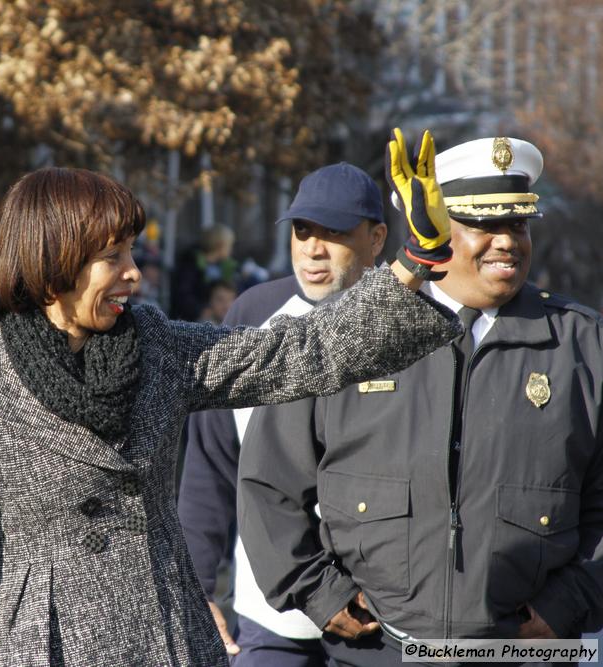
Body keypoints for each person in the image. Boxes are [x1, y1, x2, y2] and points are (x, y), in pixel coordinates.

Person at [0, 131, 461, 666]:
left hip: (164, 629)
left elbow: (298, 351)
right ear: (52, 268)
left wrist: (416, 261)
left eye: (132, 252)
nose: (134, 273)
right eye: (112, 257)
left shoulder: (159, 349)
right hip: (29, 641)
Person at [238, 135, 603, 667]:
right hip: (378, 651)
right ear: (433, 229)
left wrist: (570, 602)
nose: (506, 242)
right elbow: (270, 480)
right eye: (484, 225)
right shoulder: (351, 334)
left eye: (517, 225)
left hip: (526, 654)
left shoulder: (581, 343)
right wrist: (318, 592)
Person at [178, 162, 388, 666]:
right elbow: (211, 464)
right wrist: (199, 586)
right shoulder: (253, 315)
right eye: (302, 231)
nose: (313, 248)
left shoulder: (417, 318)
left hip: (386, 620)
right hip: (271, 619)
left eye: (334, 232)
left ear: (376, 238)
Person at [171, 223, 238, 320]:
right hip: (193, 321)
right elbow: (182, 295)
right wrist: (200, 310)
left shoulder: (223, 266)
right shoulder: (191, 263)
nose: (231, 250)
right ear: (220, 245)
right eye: (229, 246)